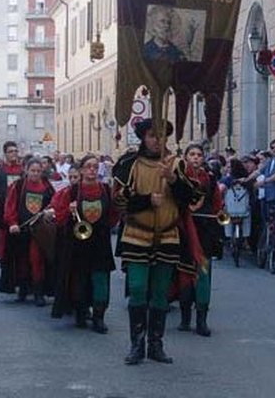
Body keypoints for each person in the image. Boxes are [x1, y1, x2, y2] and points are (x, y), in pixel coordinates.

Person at [112, 118, 195, 365]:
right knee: (137, 288)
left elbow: (191, 197)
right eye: (151, 135)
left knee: (161, 292)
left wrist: (173, 180)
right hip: (137, 234)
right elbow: (119, 200)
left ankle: (156, 345)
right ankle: (136, 344)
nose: (156, 140)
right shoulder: (130, 163)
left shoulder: (177, 164)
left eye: (160, 135)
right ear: (143, 137)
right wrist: (147, 200)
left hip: (168, 235)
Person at [50, 154, 116, 332]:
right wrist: (68, 209)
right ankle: (81, 311)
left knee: (100, 279)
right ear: (81, 170)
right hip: (77, 244)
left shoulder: (106, 190)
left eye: (95, 167)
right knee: (80, 279)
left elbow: (113, 216)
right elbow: (59, 218)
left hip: (100, 242)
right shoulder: (70, 192)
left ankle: (99, 316)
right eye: (88, 167)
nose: (92, 170)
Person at [176, 143, 223, 337]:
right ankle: (185, 318)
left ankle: (202, 320)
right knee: (184, 274)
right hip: (184, 231)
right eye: (192, 154)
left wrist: (219, 214)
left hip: (204, 231)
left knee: (203, 275)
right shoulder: (178, 179)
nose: (196, 157)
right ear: (186, 157)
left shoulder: (210, 180)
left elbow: (217, 203)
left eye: (199, 155)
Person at [3, 157, 56, 304]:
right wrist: (12, 222)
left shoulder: (47, 187)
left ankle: (39, 292)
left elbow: (54, 204)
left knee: (37, 260)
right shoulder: (18, 186)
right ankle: (23, 289)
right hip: (21, 229)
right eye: (32, 170)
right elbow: (10, 205)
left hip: (39, 231)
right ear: (26, 170)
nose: (35, 173)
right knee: (22, 260)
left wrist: (50, 213)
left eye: (38, 171)